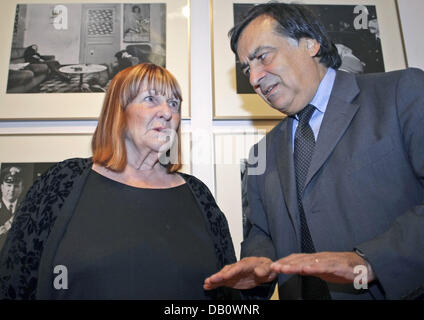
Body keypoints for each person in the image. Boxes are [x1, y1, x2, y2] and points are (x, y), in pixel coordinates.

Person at [204, 2, 424, 300]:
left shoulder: (401, 93)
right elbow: (263, 232)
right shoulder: (262, 152)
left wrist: (370, 261)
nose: (254, 79)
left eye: (262, 57)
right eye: (247, 69)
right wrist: (257, 263)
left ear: (310, 43)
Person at [0, 63, 239, 300]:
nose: (167, 112)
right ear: (119, 111)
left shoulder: (198, 195)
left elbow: (230, 294)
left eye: (174, 103)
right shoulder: (62, 182)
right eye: (151, 99)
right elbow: (13, 282)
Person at [0, 167, 24, 251]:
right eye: (9, 185)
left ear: (22, 188)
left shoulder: (25, 209)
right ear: (2, 187)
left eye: (16, 186)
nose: (12, 190)